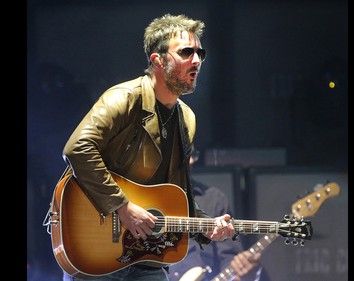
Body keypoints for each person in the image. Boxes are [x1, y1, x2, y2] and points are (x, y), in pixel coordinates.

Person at [60, 14, 236, 281]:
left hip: (145, 254)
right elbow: (78, 148)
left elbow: (176, 191)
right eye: (187, 52)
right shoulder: (124, 98)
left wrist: (205, 224)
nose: (197, 61)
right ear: (158, 60)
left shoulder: (186, 118)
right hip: (97, 246)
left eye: (201, 53)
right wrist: (122, 206)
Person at [168, 148, 271, 281]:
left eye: (193, 154)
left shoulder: (213, 199)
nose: (192, 160)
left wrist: (245, 274)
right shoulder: (141, 201)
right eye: (185, 153)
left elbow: (228, 260)